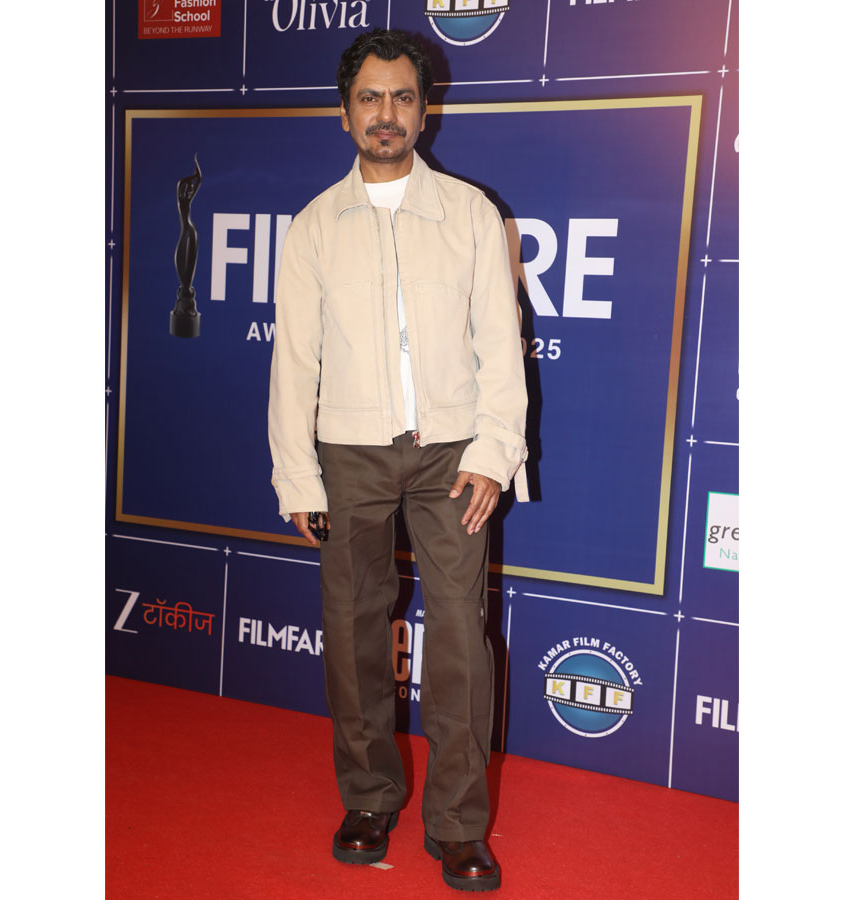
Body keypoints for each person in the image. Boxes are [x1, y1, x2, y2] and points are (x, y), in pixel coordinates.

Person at [268, 28, 528, 893]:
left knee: (459, 637)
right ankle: (370, 797)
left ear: (426, 110)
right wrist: (296, 474)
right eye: (370, 98)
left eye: (403, 97)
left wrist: (494, 452)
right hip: (348, 453)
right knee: (352, 632)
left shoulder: (469, 214)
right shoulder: (313, 227)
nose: (387, 113)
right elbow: (293, 364)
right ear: (344, 114)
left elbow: (502, 346)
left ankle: (458, 824)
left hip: (454, 452)